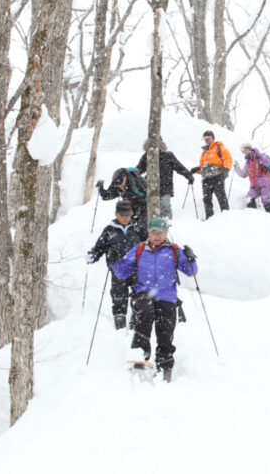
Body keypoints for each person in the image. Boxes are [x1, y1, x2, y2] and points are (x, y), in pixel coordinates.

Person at [110, 217, 197, 382]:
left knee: (165, 334)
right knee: (144, 322)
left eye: (160, 233)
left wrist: (191, 258)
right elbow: (122, 272)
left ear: (166, 233)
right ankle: (140, 363)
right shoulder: (140, 249)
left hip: (167, 298)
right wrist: (114, 261)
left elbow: (190, 271)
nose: (156, 236)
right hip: (143, 294)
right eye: (153, 232)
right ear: (148, 232)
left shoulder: (173, 250)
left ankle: (165, 368)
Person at [86, 200, 147, 329]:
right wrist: (94, 255)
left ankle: (136, 320)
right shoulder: (109, 231)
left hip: (137, 268)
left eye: (128, 215)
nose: (125, 218)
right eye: (122, 215)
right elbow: (100, 247)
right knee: (118, 295)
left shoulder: (137, 228)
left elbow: (149, 242)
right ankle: (120, 319)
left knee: (139, 294)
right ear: (116, 214)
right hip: (118, 268)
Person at [136, 138, 194, 219]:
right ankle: (152, 226)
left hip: (165, 186)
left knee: (165, 206)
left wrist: (188, 175)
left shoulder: (168, 155)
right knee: (151, 208)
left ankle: (166, 226)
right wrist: (131, 174)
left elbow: (179, 167)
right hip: (150, 187)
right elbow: (139, 169)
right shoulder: (147, 155)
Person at [190, 130, 232, 218]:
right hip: (206, 178)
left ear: (213, 138)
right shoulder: (204, 152)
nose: (206, 140)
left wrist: (226, 169)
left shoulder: (219, 147)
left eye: (208, 138)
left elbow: (227, 158)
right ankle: (209, 218)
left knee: (221, 197)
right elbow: (204, 168)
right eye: (205, 138)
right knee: (206, 199)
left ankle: (227, 217)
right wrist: (197, 169)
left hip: (218, 176)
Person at [232, 142, 270, 215]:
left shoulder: (260, 155)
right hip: (254, 185)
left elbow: (269, 162)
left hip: (265, 183)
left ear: (248, 149)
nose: (243, 152)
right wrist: (236, 167)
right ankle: (253, 216)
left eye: (244, 150)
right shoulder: (248, 162)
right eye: (242, 151)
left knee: (265, 200)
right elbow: (243, 174)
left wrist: (260, 158)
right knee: (249, 198)